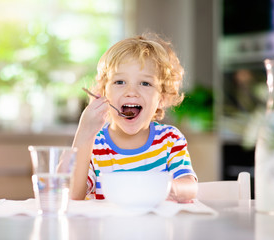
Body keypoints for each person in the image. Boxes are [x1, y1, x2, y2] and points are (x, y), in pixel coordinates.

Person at [71, 33, 198, 203]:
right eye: (120, 82)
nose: (131, 91)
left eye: (145, 83)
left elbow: (190, 187)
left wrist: (168, 188)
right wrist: (84, 134)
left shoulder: (170, 140)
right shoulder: (94, 145)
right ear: (102, 93)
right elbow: (73, 195)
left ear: (161, 98)